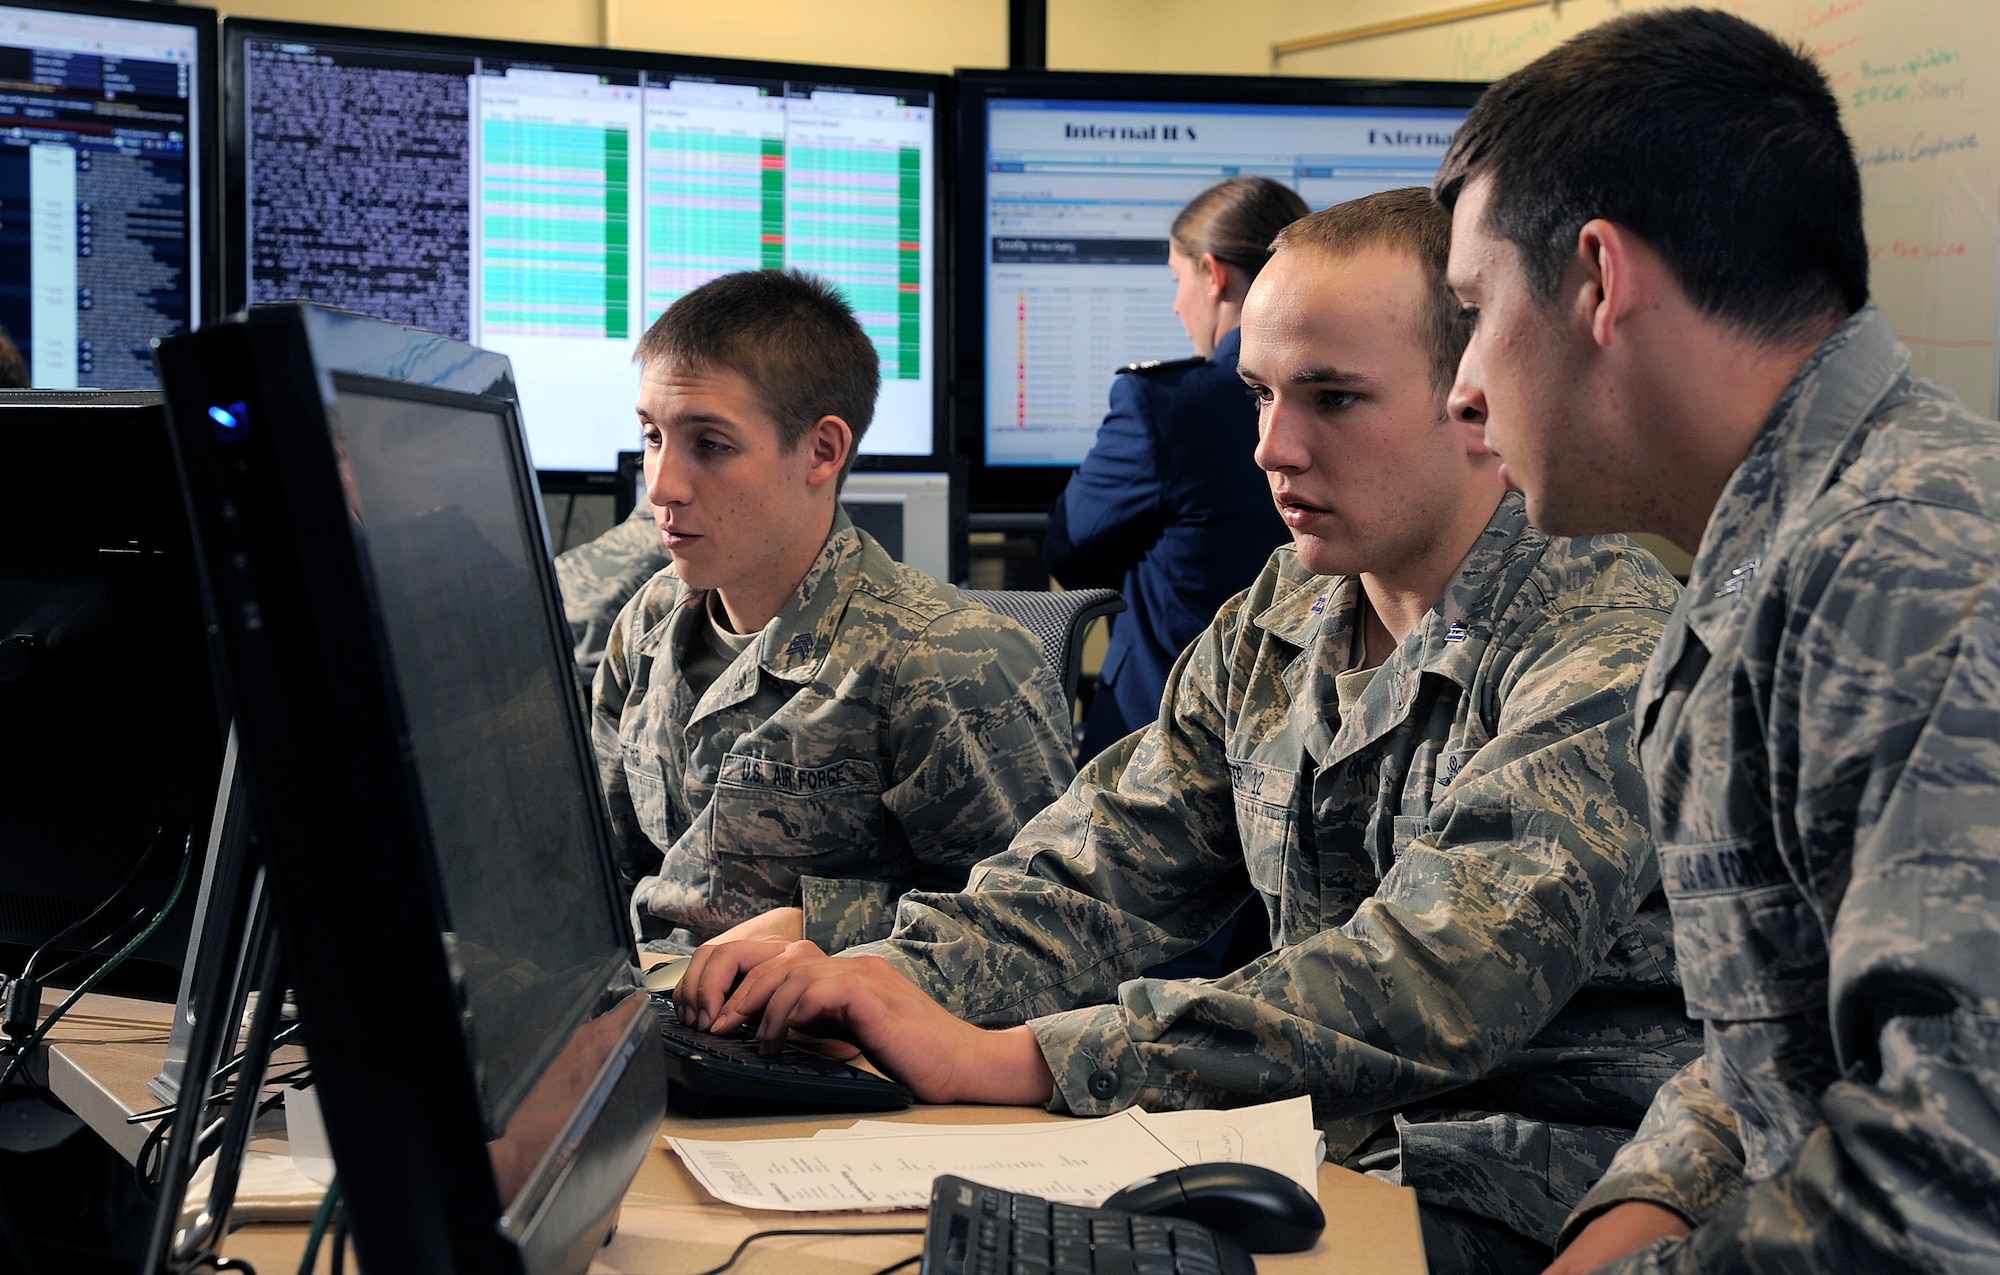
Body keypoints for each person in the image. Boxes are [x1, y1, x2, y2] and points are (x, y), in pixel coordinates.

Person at [683, 190, 1698, 1274]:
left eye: (1333, 399)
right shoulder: (1283, 612)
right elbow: (1096, 874)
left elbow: (1435, 981)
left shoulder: (1602, 644)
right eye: (1257, 393)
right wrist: (883, 984)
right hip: (1309, 1152)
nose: (1271, 446)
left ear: (1477, 404)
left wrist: (1018, 1058)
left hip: (1534, 1195)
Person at [1436, 10, 2000, 1273]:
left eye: (1474, 310)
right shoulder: (1769, 554)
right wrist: (1627, 1217)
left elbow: (1951, 1186)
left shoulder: (1914, 574)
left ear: (1596, 280)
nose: (1460, 385)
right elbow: (1778, 1032)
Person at [593, 269, 1075, 955]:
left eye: (710, 445)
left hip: (819, 1045)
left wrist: (819, 929)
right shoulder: (648, 627)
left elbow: (1039, 929)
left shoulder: (941, 660)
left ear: (822, 451)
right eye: (652, 437)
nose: (663, 487)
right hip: (651, 1013)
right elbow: (599, 866)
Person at [1046, 176, 1300, 761]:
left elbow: (1070, 549)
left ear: (1213, 274)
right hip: (1305, 745)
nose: (1175, 303)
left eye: (1176, 278)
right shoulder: (1364, 401)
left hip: (1160, 746)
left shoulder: (1166, 404)